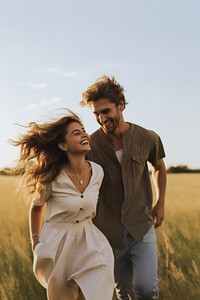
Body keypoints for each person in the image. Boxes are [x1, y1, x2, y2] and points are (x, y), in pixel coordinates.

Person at [10, 110, 115, 300]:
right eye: (77, 133)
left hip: (90, 241)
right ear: (63, 145)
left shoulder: (98, 172)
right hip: (57, 243)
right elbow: (36, 208)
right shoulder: (51, 177)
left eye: (84, 130)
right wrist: (36, 242)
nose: (85, 134)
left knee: (95, 293)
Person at [80, 76, 167, 300]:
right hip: (108, 231)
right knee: (124, 292)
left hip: (141, 224)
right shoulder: (90, 145)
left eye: (106, 111)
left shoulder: (147, 138)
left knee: (147, 289)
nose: (101, 118)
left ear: (121, 105)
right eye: (96, 114)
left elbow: (159, 167)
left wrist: (160, 203)